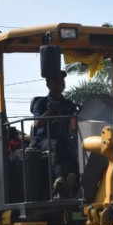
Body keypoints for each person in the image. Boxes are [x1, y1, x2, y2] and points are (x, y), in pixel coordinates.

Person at [32, 70, 79, 198]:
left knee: (76, 148)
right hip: (43, 141)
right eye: (56, 81)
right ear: (48, 85)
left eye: (62, 80)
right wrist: (50, 111)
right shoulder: (41, 103)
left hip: (64, 140)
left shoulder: (68, 105)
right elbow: (37, 124)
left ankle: (74, 182)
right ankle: (59, 181)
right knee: (56, 145)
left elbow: (74, 125)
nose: (60, 83)